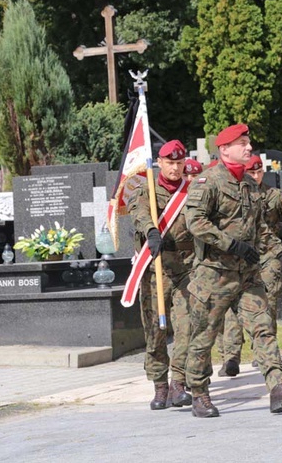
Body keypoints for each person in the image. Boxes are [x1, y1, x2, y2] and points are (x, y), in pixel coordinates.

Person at [183, 123, 282, 417]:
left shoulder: (251, 185)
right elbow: (196, 223)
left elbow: (261, 228)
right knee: (204, 336)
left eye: (249, 142)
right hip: (214, 275)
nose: (249, 147)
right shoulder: (208, 182)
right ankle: (199, 394)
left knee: (263, 327)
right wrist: (231, 244)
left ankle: (279, 389)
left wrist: (278, 252)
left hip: (247, 275)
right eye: (242, 143)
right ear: (225, 149)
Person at [217, 155, 282, 377]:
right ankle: (231, 357)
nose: (255, 176)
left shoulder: (274, 197)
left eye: (258, 172)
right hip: (239, 257)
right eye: (250, 172)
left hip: (268, 255)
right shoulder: (233, 195)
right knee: (233, 308)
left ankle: (263, 354)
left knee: (268, 303)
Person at [127, 140, 194, 410]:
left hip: (185, 272)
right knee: (154, 330)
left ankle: (179, 382)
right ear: (159, 163)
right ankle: (160, 385)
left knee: (186, 326)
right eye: (170, 162)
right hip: (155, 272)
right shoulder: (146, 190)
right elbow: (138, 212)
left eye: (179, 163)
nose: (175, 168)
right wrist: (151, 230)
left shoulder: (193, 191)